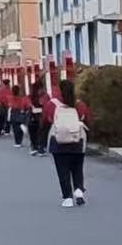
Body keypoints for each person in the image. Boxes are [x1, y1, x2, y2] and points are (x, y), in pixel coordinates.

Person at [45, 79, 91, 207]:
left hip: (58, 141)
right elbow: (88, 120)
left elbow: (46, 119)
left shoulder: (52, 104)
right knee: (78, 167)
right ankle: (79, 190)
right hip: (77, 140)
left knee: (62, 170)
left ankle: (67, 198)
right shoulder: (80, 105)